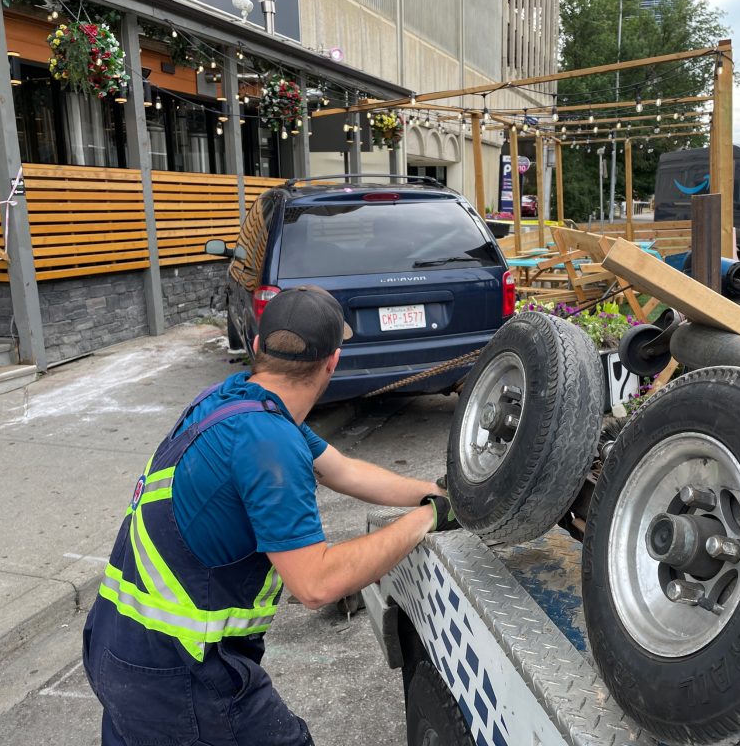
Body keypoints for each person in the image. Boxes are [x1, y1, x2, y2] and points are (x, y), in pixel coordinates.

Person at [82, 285, 458, 746]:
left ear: (258, 347)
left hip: (115, 643)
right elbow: (316, 584)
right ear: (332, 362)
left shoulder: (235, 399)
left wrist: (438, 492)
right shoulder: (267, 442)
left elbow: (344, 470)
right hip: (179, 671)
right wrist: (426, 520)